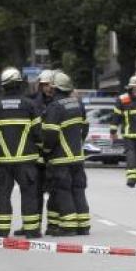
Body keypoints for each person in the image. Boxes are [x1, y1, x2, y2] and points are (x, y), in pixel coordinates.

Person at [0, 67, 42, 237]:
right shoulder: (29, 105)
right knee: (29, 194)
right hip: (26, 161)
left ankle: (2, 230)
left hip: (4, 162)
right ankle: (32, 230)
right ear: (19, 84)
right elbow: (38, 132)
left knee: (3, 195)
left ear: (3, 86)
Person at [41, 73, 90, 235]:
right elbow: (85, 128)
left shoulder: (55, 107)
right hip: (78, 156)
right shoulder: (78, 104)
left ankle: (68, 226)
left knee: (63, 190)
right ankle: (83, 225)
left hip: (61, 158)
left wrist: (46, 152)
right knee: (78, 189)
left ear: (55, 88)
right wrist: (78, 144)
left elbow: (50, 135)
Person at [31, 71, 57, 223]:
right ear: (40, 86)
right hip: (37, 152)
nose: (48, 88)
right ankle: (34, 224)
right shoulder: (33, 102)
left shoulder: (58, 101)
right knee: (35, 191)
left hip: (54, 151)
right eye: (45, 85)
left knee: (55, 189)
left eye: (49, 85)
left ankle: (53, 224)